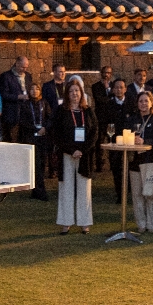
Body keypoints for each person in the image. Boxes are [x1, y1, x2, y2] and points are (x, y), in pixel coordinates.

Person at [52, 80, 98, 234]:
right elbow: (56, 135)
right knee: (66, 189)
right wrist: (71, 150)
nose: (74, 94)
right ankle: (66, 222)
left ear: (81, 93)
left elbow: (94, 133)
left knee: (84, 189)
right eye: (71, 91)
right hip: (67, 154)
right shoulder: (61, 111)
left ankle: (84, 223)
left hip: (84, 155)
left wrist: (82, 150)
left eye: (77, 91)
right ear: (67, 94)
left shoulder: (88, 111)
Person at [127, 91, 153, 232]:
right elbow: (125, 136)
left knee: (150, 194)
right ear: (137, 104)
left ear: (151, 103)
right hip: (135, 162)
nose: (143, 104)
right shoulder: (131, 119)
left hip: (150, 160)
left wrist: (146, 141)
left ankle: (151, 225)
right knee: (137, 195)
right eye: (140, 101)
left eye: (146, 101)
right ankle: (141, 225)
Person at [18, 83, 51, 201]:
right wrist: (35, 129)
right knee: (35, 165)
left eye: (37, 89)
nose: (34, 91)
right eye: (31, 89)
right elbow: (22, 121)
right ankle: (40, 191)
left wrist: (44, 128)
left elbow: (49, 118)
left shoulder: (44, 103)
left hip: (43, 137)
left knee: (42, 163)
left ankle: (36, 190)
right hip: (31, 137)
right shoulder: (25, 105)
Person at [104, 79, 131, 203]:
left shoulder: (132, 103)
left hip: (129, 141)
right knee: (116, 168)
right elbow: (105, 123)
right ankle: (119, 194)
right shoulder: (108, 105)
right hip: (114, 141)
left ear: (125, 89)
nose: (119, 90)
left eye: (121, 87)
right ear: (113, 89)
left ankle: (129, 193)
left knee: (129, 167)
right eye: (117, 88)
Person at [0, 56, 32, 142]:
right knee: (11, 138)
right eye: (22, 67)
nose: (24, 69)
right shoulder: (6, 76)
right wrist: (19, 96)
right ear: (16, 64)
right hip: (12, 112)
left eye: (26, 67)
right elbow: (4, 94)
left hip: (25, 111)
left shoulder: (28, 76)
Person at [91, 65, 114, 171]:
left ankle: (112, 163)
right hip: (100, 118)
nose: (106, 75)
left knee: (112, 140)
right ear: (101, 73)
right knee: (99, 142)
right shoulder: (95, 86)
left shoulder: (114, 86)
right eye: (105, 72)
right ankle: (99, 164)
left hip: (112, 118)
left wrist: (109, 90)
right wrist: (109, 93)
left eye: (109, 73)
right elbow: (100, 100)